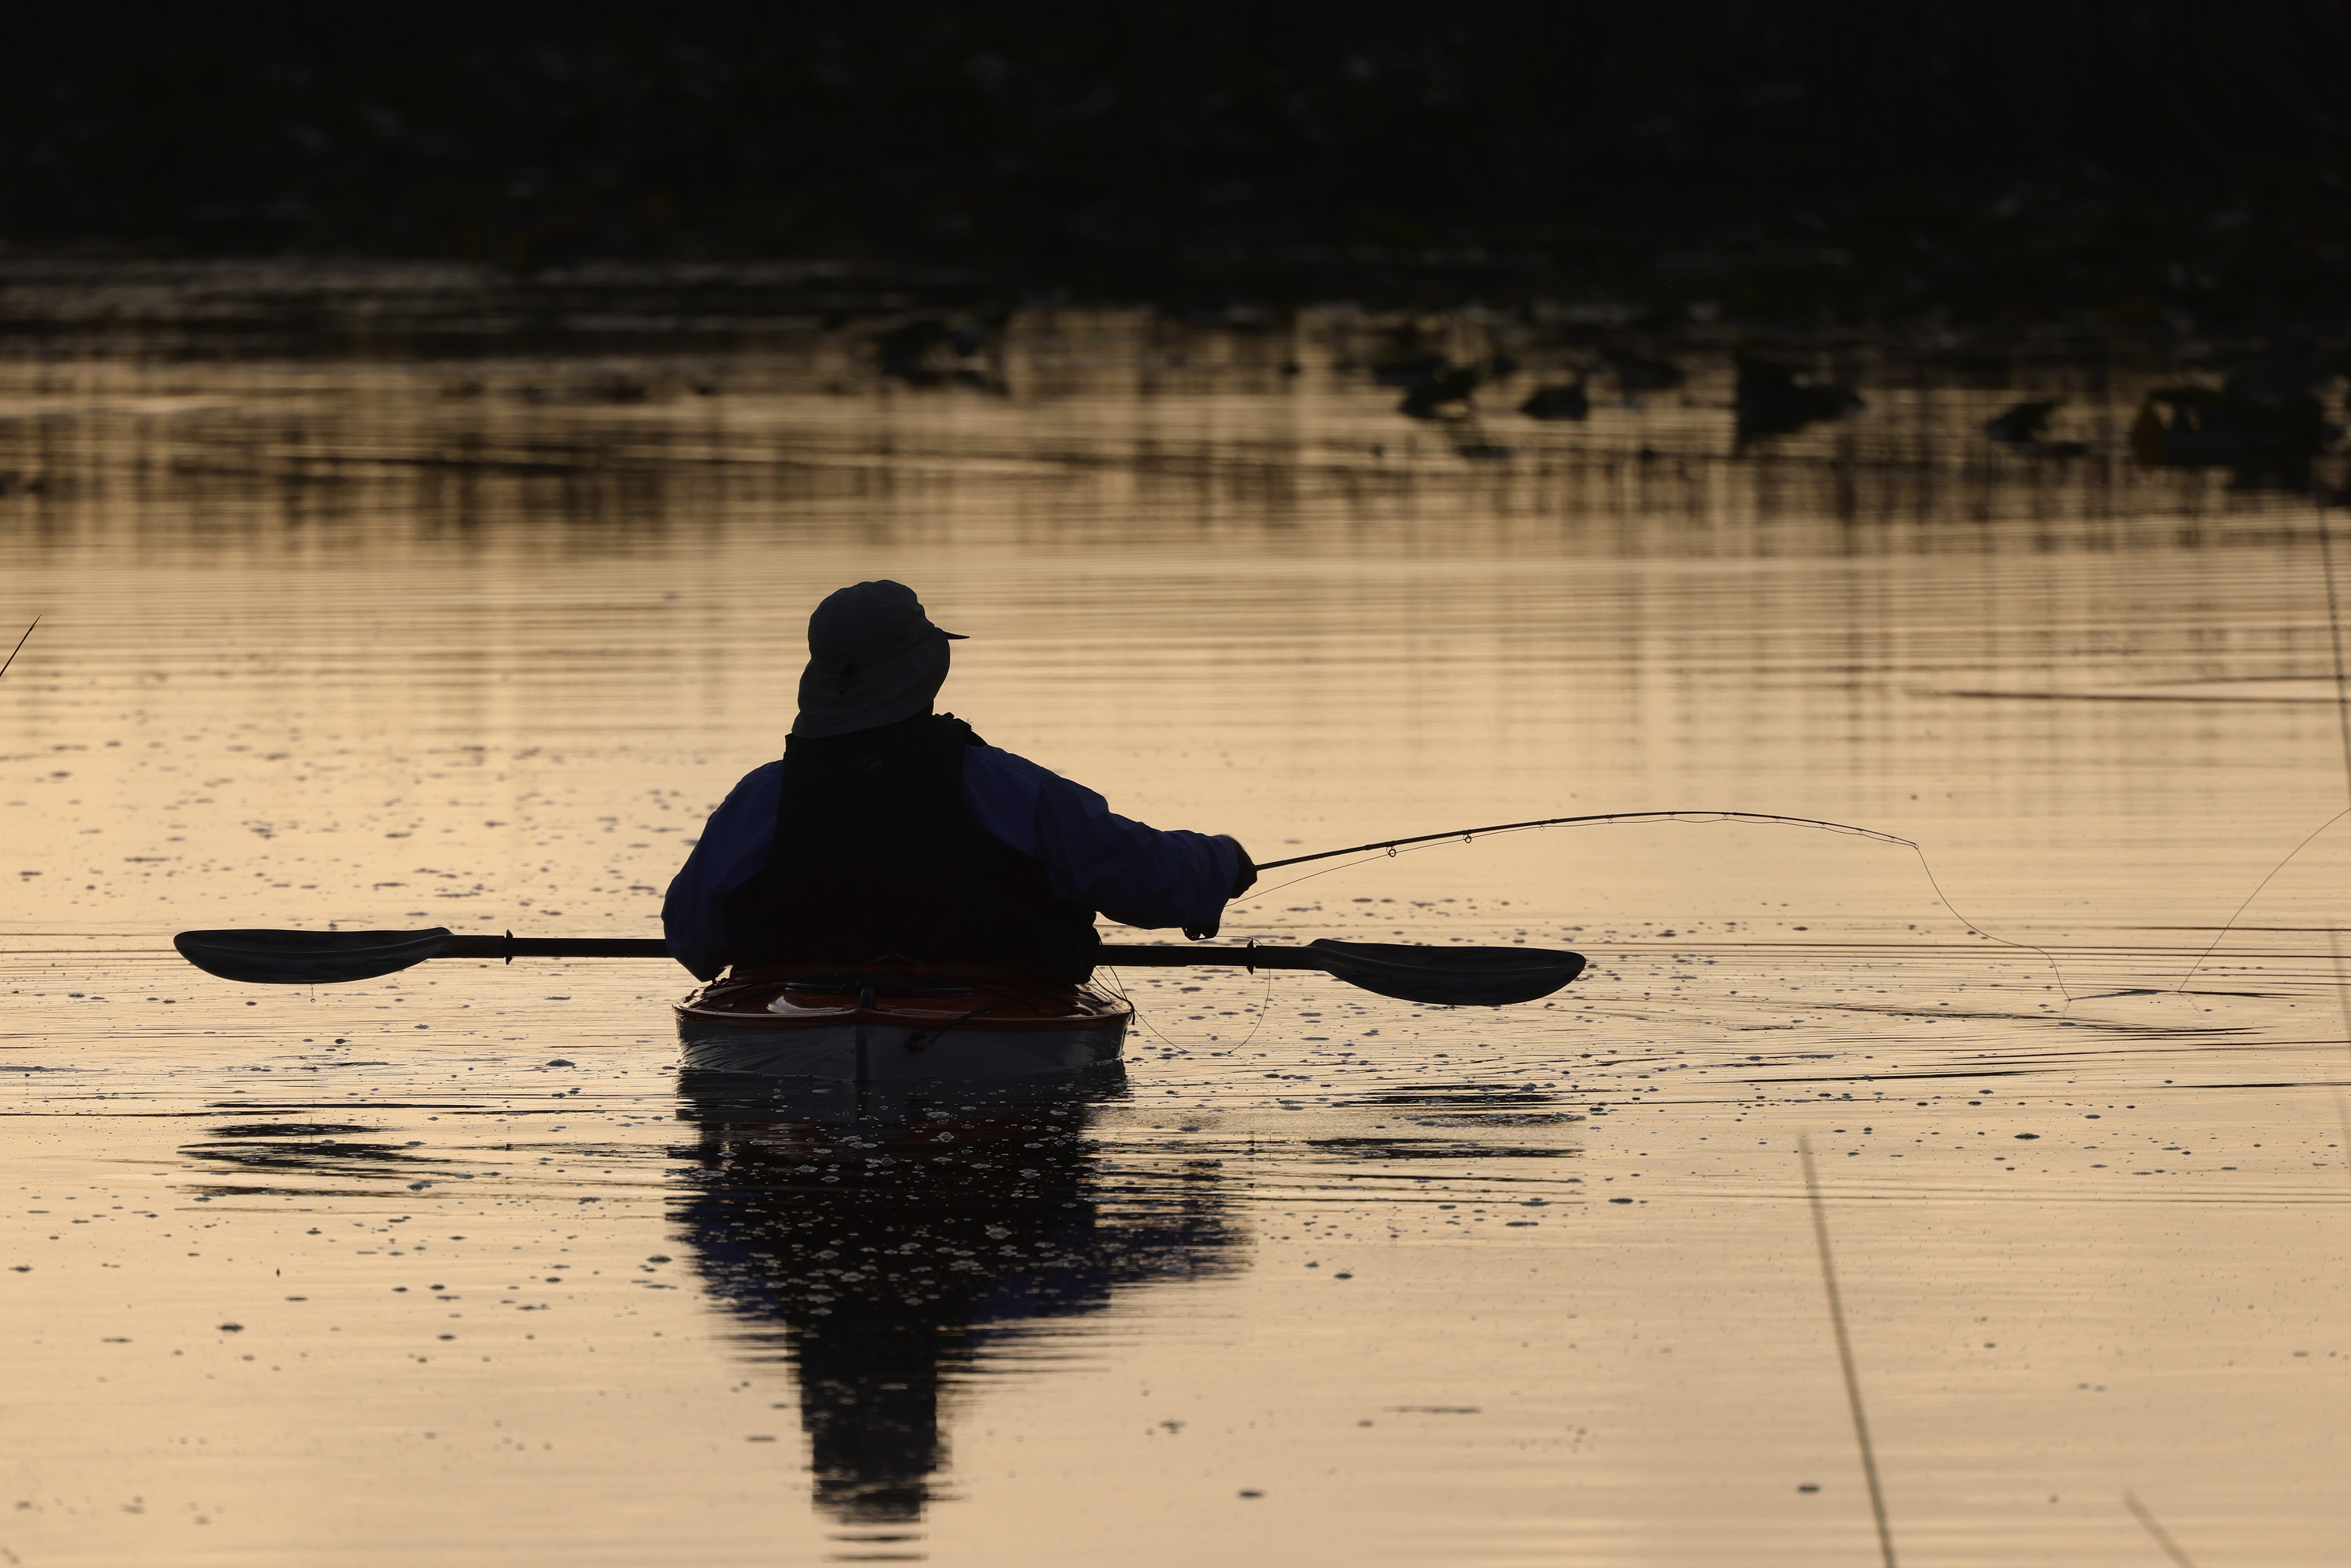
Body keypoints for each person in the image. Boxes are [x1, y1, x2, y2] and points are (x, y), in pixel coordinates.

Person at [663, 581, 1255, 984]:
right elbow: (1132, 865)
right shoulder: (1003, 786)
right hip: (990, 1018)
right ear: (924, 670)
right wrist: (1218, 864)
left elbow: (692, 938)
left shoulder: (763, 797)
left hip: (792, 1033)